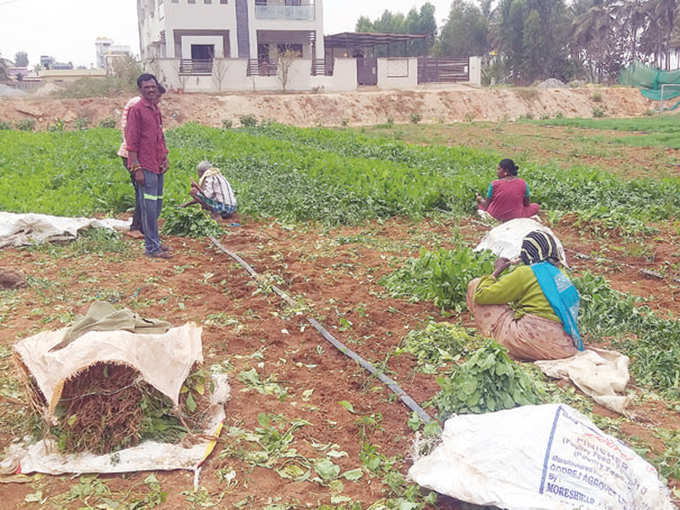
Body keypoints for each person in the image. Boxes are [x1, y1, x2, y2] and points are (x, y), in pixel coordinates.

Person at [466, 230, 583, 361]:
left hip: (529, 341)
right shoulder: (562, 276)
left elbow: (482, 295)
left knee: (476, 285)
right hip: (562, 346)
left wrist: (496, 271)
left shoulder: (526, 273)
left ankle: (505, 345)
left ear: (526, 253)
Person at [125, 74, 171, 259]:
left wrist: (165, 157)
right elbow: (131, 140)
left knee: (157, 206)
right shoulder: (136, 110)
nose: (151, 90)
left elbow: (160, 136)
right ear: (140, 90)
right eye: (147, 88)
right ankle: (152, 248)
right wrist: (136, 168)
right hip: (145, 165)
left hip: (157, 163)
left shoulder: (155, 109)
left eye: (153, 86)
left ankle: (155, 242)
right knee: (149, 208)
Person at [117, 84, 166, 239]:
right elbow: (130, 134)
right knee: (142, 193)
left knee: (145, 194)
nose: (157, 100)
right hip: (133, 156)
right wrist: (136, 164)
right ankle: (137, 227)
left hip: (146, 157)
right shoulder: (136, 106)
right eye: (157, 96)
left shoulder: (152, 108)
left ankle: (144, 228)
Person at [475, 158, 540, 222]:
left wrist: (480, 199)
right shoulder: (523, 183)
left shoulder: (494, 184)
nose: (497, 171)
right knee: (535, 206)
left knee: (482, 205)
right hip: (516, 216)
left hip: (496, 215)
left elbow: (486, 206)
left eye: (499, 169)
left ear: (505, 171)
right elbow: (526, 204)